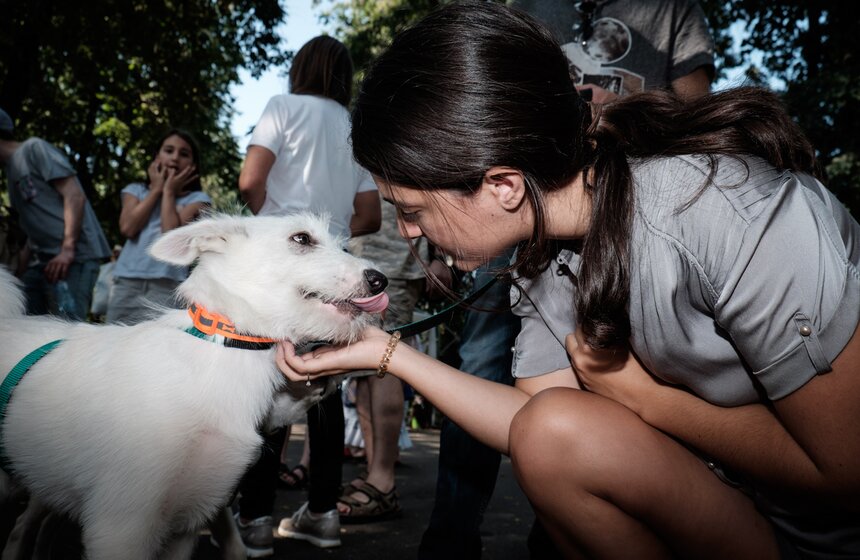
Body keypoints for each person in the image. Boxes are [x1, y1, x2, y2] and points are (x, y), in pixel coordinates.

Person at [275, 3, 860, 558]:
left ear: (502, 185)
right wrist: (385, 353)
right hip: (739, 515)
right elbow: (535, 427)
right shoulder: (542, 253)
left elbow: (843, 469)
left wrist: (647, 400)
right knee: (552, 434)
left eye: (413, 210)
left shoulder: (726, 212)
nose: (406, 233)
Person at [233, 35, 381, 556]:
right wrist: (334, 232)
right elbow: (372, 214)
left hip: (282, 264)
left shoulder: (283, 106)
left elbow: (251, 181)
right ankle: (322, 513)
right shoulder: (354, 128)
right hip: (335, 271)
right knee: (323, 387)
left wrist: (271, 230)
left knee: (271, 378)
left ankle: (253, 517)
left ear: (299, 68)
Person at [337, 202, 427, 523]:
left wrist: (442, 259)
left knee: (385, 364)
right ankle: (375, 472)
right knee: (364, 371)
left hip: (396, 260)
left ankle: (383, 480)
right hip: (355, 259)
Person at [0, 107, 111, 320]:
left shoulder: (33, 149)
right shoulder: (10, 173)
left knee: (67, 328)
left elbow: (74, 196)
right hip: (43, 261)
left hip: (74, 257)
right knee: (24, 324)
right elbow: (31, 232)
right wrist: (18, 273)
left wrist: (67, 250)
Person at [513, 0, 714, 103]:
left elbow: (695, 114)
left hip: (639, 169)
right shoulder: (524, 7)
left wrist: (629, 109)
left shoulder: (674, 7)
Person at [106, 129, 210, 325]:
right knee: (112, 338)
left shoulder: (198, 200)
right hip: (127, 281)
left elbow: (170, 235)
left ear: (193, 166)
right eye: (168, 150)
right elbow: (128, 228)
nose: (175, 158)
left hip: (167, 284)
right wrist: (156, 190)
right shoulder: (135, 190)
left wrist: (169, 192)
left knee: (154, 345)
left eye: (184, 154)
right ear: (156, 157)